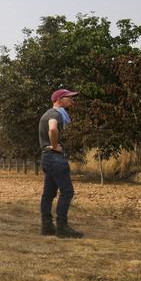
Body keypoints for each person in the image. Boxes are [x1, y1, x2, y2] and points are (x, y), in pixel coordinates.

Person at [40, 89, 83, 238]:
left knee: (49, 193)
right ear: (59, 99)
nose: (72, 100)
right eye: (69, 97)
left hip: (47, 157)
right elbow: (52, 128)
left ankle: (47, 227)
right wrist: (54, 145)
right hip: (54, 157)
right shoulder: (55, 114)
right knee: (67, 192)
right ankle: (62, 227)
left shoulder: (48, 113)